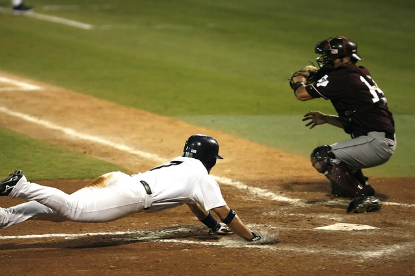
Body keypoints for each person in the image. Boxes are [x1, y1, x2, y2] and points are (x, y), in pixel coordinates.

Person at [0, 134, 265, 242]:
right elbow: (224, 211)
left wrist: (212, 227)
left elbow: (195, 205)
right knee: (72, 210)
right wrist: (250, 236)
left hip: (119, 180)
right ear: (210, 158)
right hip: (130, 195)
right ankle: (22, 186)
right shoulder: (202, 178)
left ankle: (5, 216)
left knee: (58, 211)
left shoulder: (181, 164)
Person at [290, 36, 396, 213]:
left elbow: (301, 94)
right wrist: (326, 118)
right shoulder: (356, 73)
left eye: (330, 57)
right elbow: (356, 121)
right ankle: (357, 186)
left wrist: (299, 80)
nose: (325, 61)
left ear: (345, 59)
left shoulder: (343, 77)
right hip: (375, 140)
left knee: (322, 156)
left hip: (376, 144)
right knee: (337, 158)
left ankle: (362, 195)